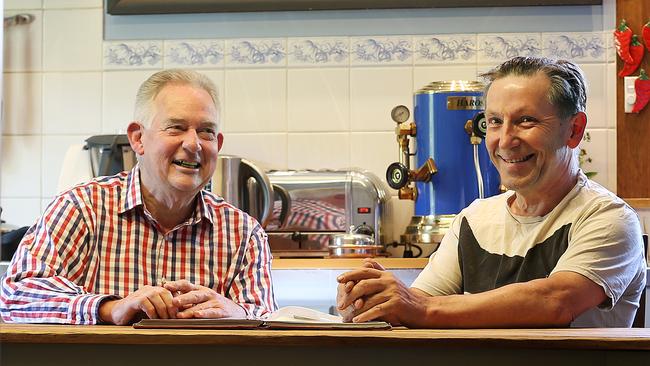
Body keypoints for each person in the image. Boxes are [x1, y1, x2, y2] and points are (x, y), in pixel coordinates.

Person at [336, 56, 646, 328]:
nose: (506, 139)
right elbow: (420, 301)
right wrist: (372, 299)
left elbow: (555, 301)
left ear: (574, 130)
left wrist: (417, 307)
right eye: (495, 122)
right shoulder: (475, 219)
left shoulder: (609, 219)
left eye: (526, 121)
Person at [0, 69, 277, 325]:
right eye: (176, 127)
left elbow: (269, 322)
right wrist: (110, 308)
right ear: (138, 139)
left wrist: (238, 313)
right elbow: (14, 296)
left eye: (206, 131)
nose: (193, 144)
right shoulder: (82, 209)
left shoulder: (243, 233)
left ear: (217, 145)